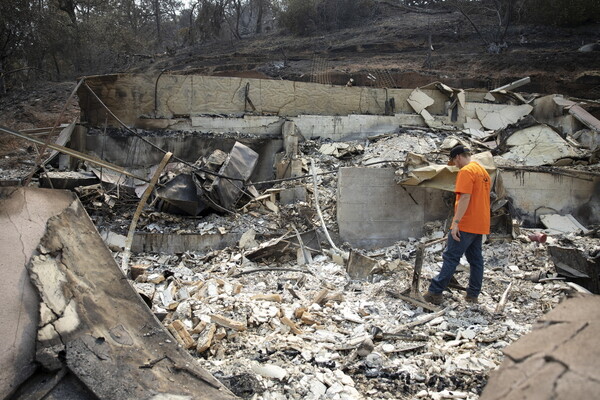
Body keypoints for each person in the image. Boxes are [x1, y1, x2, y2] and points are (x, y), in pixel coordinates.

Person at [423, 145, 491, 305]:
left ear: (458, 157)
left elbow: (465, 198)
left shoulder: (466, 171)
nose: (456, 165)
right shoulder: (483, 172)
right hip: (480, 222)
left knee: (451, 257)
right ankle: (473, 295)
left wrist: (456, 222)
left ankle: (435, 291)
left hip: (466, 222)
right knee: (476, 260)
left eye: (454, 161)